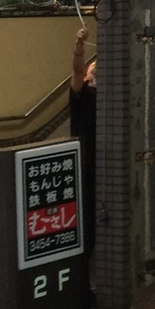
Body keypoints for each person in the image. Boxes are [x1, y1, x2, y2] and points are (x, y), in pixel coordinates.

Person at [70, 26, 97, 254]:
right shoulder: (81, 92)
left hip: (103, 154)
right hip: (85, 153)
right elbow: (77, 70)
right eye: (92, 66)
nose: (96, 66)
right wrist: (80, 44)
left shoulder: (111, 94)